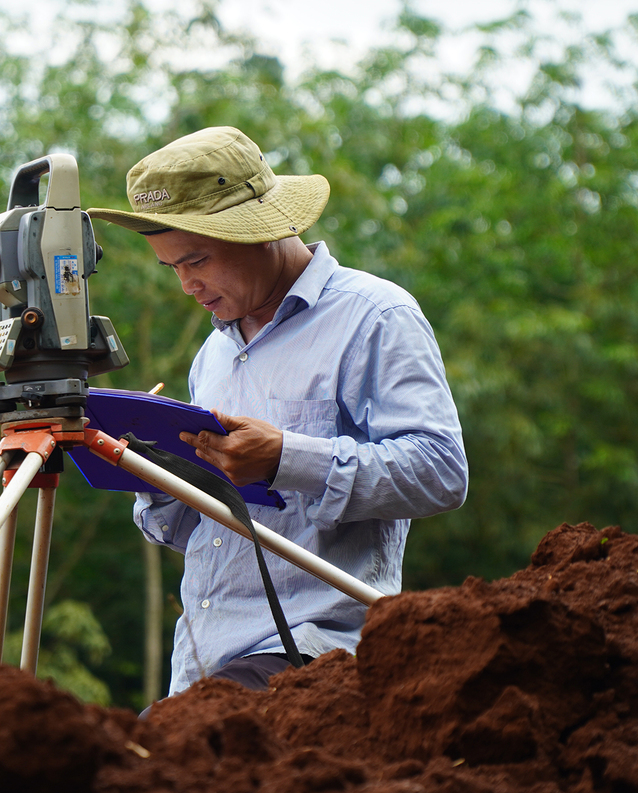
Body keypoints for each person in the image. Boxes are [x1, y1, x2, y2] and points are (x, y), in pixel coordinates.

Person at [86, 126, 468, 697]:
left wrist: (285, 458)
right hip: (199, 666)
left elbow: (441, 472)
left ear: (260, 232)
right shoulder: (212, 353)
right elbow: (203, 531)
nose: (187, 285)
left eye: (196, 260)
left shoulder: (375, 316)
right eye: (172, 268)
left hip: (310, 654)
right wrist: (155, 473)